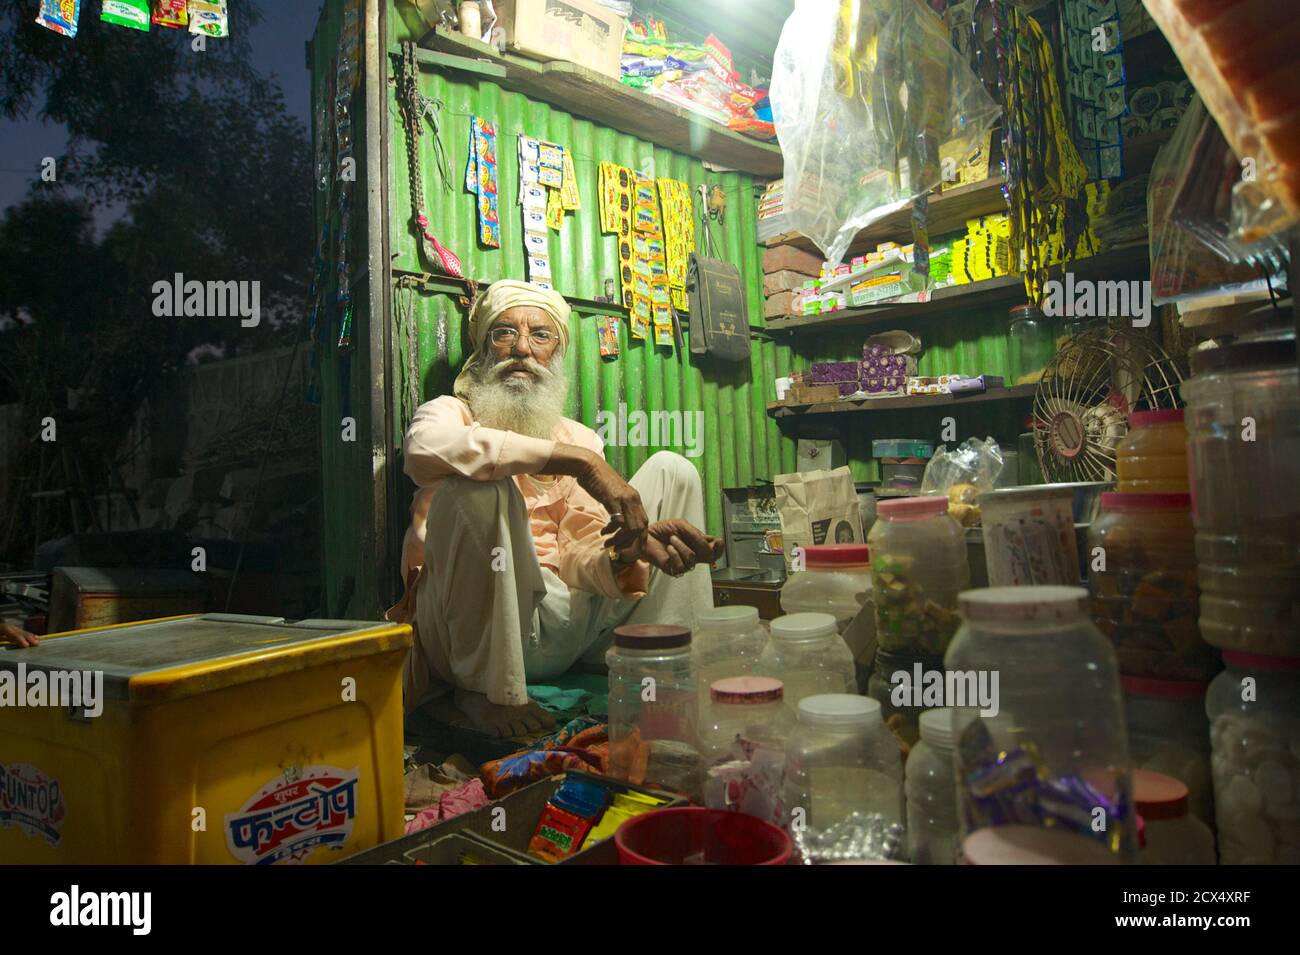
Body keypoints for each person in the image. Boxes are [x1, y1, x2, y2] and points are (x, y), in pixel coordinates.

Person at [387, 280, 724, 737]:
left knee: (673, 469)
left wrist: (628, 551)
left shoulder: (580, 438)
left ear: (556, 353)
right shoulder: (450, 413)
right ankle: (482, 693)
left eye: (540, 336)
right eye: (504, 332)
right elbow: (422, 451)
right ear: (484, 349)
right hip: (467, 638)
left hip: (557, 629)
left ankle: (665, 669)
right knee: (482, 489)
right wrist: (579, 465)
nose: (521, 348)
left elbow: (579, 554)